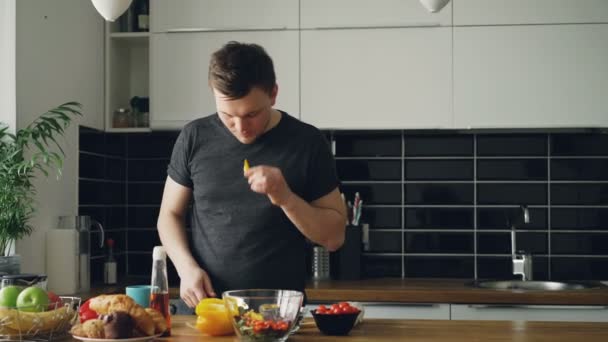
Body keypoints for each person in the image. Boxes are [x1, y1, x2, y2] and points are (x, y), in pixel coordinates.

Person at [157, 41, 347, 308]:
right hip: (208, 309)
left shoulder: (307, 142)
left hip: (280, 314)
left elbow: (334, 237)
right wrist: (186, 268)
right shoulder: (194, 137)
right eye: (228, 115)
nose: (240, 127)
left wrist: (286, 198)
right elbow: (169, 215)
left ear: (274, 94)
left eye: (252, 114)